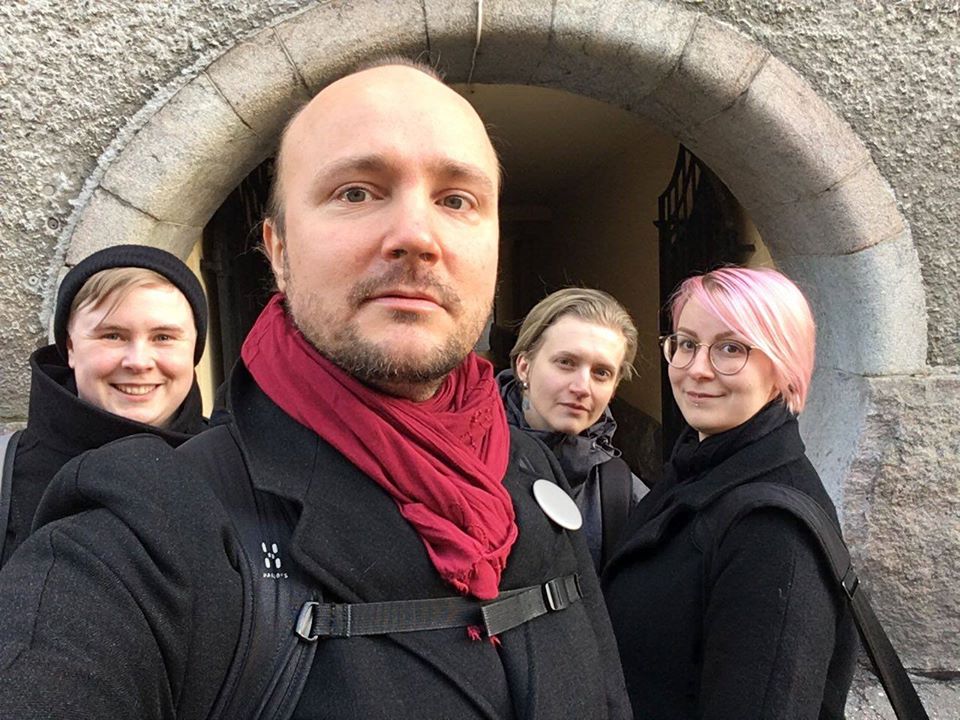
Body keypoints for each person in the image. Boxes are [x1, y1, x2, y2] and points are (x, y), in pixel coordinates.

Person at [0, 60, 631, 719]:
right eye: (356, 192)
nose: (417, 236)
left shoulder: (529, 469)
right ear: (278, 251)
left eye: (456, 200)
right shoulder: (151, 525)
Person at [602, 266, 858, 719]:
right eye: (685, 344)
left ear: (782, 368)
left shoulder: (772, 534)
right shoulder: (696, 470)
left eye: (730, 349)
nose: (697, 369)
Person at [0, 244, 207, 566]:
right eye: (112, 336)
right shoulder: (6, 476)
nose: (139, 361)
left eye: (163, 337)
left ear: (194, 349)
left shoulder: (241, 472)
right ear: (70, 347)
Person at [497, 288, 647, 571]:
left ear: (614, 389)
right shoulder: (460, 459)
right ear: (524, 366)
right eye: (566, 363)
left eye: (601, 373)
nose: (581, 387)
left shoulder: (621, 495)